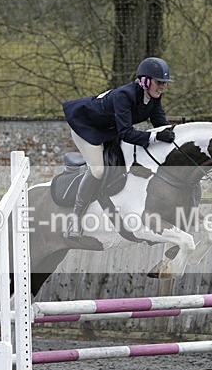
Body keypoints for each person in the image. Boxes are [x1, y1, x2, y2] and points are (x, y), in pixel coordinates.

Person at [61, 57, 176, 238]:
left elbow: (161, 125)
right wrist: (154, 136)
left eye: (165, 83)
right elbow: (126, 133)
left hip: (109, 130)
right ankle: (75, 218)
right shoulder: (125, 96)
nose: (163, 87)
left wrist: (175, 136)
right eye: (159, 82)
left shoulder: (154, 98)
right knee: (98, 170)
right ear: (145, 81)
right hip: (87, 127)